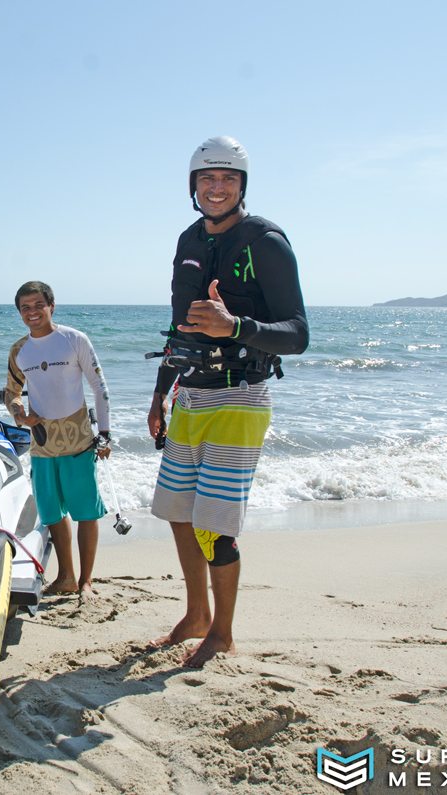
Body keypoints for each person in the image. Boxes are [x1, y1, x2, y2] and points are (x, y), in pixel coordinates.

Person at [147, 136, 309, 667]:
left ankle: (222, 632)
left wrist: (237, 324)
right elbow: (180, 326)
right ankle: (195, 614)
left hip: (240, 399)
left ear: (242, 186)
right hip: (190, 395)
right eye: (207, 179)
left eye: (228, 179)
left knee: (215, 524)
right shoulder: (188, 239)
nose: (216, 188)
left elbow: (298, 333)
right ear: (193, 186)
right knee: (176, 512)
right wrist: (159, 395)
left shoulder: (265, 241)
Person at [4, 281, 111, 601]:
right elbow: (11, 393)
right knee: (51, 513)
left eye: (38, 305)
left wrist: (105, 434)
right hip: (42, 442)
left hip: (78, 437)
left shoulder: (74, 339)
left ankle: (87, 581)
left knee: (86, 511)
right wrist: (19, 415)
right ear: (19, 313)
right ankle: (66, 577)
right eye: (25, 308)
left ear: (52, 305)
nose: (32, 312)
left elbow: (100, 388)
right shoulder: (19, 350)